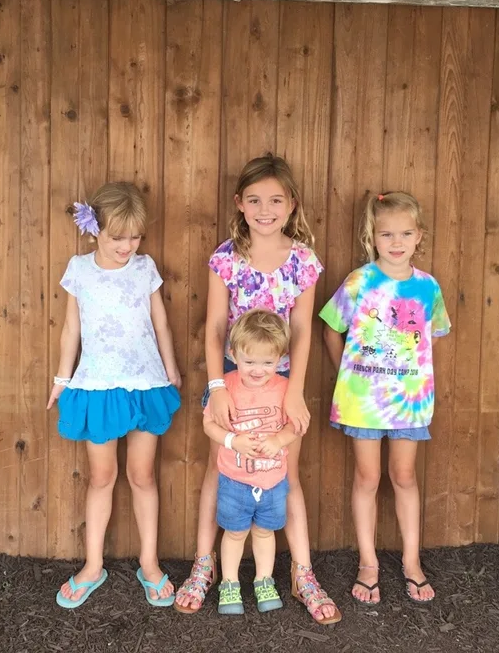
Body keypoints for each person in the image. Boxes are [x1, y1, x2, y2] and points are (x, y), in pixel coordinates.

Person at [174, 153, 341, 625]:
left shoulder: (303, 262)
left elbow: (304, 330)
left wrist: (294, 392)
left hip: (283, 380)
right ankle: (205, 565)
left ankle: (302, 573)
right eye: (254, 200)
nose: (264, 209)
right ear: (239, 204)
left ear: (291, 205)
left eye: (275, 200)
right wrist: (216, 387)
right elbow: (212, 329)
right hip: (232, 376)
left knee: (285, 470)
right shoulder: (226, 258)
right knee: (220, 467)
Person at [47, 182, 182, 609]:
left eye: (135, 236)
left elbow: (160, 322)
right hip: (97, 387)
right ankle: (92, 566)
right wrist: (61, 378)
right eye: (117, 237)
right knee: (101, 477)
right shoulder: (79, 270)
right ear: (94, 231)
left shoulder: (145, 269)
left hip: (145, 384)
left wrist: (172, 367)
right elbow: (72, 329)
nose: (127, 246)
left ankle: (150, 561)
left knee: (142, 475)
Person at [319, 191, 450, 606]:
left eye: (406, 233)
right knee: (367, 477)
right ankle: (368, 562)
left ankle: (411, 561)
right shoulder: (360, 281)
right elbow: (329, 328)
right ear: (372, 237)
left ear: (419, 236)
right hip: (365, 401)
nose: (397, 241)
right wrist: (349, 374)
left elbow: (433, 336)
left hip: (409, 401)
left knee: (405, 476)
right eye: (387, 233)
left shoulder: (428, 287)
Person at [202, 309, 296, 615]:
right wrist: (233, 441)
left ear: (281, 359)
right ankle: (229, 583)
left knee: (265, 532)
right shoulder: (226, 387)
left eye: (268, 363)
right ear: (233, 354)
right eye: (249, 361)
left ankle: (263, 580)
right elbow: (209, 425)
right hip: (234, 480)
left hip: (272, 481)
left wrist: (278, 440)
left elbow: (295, 425)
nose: (258, 370)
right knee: (235, 533)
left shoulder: (284, 389)